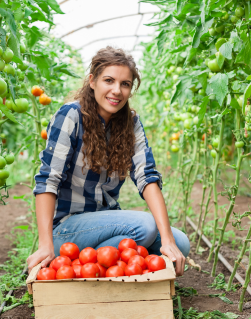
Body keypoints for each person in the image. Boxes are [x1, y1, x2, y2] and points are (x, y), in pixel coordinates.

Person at [27, 46, 190, 276]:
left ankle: (90, 263)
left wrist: (168, 240)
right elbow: (47, 180)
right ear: (92, 81)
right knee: (145, 227)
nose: (117, 90)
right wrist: (44, 244)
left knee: (180, 243)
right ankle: (67, 257)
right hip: (67, 229)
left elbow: (147, 176)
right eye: (109, 80)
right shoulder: (71, 116)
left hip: (103, 224)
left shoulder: (130, 123)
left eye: (125, 84)